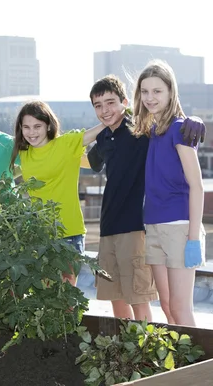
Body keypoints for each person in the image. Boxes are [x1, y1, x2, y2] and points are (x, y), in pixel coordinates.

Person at [87, 75, 206, 322]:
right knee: (120, 300)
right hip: (109, 226)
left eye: (111, 103)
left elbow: (169, 123)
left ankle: (165, 356)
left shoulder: (139, 130)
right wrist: (101, 127)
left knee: (160, 303)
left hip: (139, 226)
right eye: (98, 106)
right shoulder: (104, 139)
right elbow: (89, 160)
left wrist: (193, 120)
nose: (105, 110)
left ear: (126, 102)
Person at [131, 60, 206, 326]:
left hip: (179, 227)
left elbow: (197, 185)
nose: (150, 98)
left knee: (180, 308)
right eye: (145, 91)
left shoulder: (180, 130)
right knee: (166, 306)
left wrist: (193, 239)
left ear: (171, 92)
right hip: (153, 225)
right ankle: (179, 366)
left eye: (157, 91)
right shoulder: (151, 130)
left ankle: (200, 367)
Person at [9, 100, 105, 286]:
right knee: (46, 296)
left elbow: (96, 132)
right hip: (39, 235)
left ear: (48, 125)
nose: (32, 132)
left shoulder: (65, 144)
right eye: (26, 127)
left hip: (68, 232)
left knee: (66, 296)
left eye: (37, 126)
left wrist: (121, 113)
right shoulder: (23, 154)